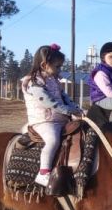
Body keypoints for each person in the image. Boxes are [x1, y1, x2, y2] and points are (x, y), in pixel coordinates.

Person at [22, 44, 84, 187]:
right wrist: (70, 111)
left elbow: (65, 97)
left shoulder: (53, 80)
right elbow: (51, 103)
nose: (59, 70)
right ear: (44, 65)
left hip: (59, 119)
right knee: (53, 140)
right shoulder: (33, 82)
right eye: (57, 66)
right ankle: (43, 173)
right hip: (44, 121)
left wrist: (78, 109)